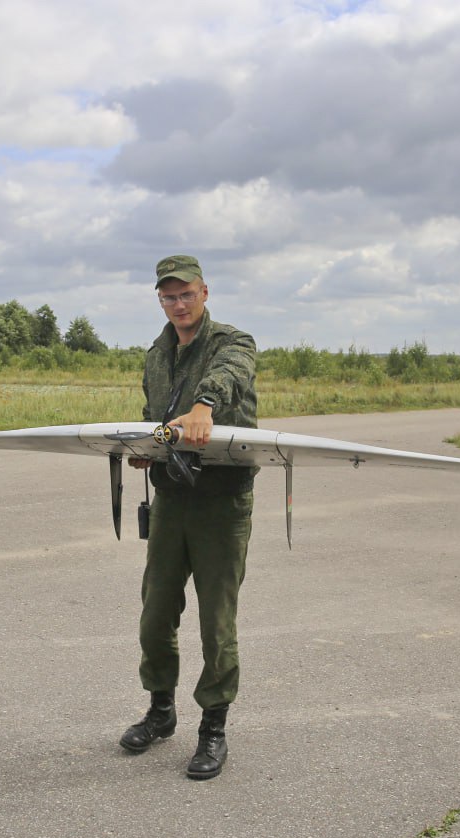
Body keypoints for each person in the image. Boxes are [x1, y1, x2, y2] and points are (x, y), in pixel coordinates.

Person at [119, 254, 258, 780]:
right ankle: (160, 712)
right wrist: (144, 447)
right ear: (160, 299)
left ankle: (214, 728)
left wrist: (204, 405)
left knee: (215, 621)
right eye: (168, 296)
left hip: (222, 500)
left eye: (186, 294)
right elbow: (157, 419)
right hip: (171, 497)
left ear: (204, 292)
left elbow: (229, 376)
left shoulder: (233, 342)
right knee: (155, 613)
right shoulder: (157, 353)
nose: (178, 304)